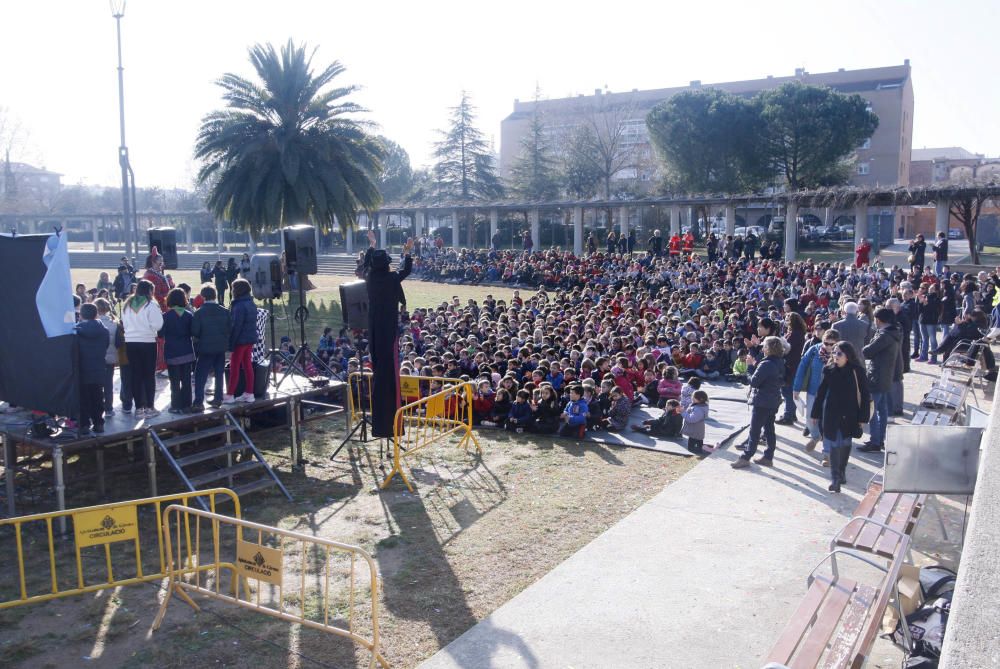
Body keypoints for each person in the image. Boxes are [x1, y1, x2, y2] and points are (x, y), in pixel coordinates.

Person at [362, 230, 414, 437]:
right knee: (389, 371)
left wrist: (372, 245)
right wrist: (407, 252)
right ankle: (390, 420)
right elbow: (406, 270)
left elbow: (366, 264)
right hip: (389, 329)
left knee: (378, 369)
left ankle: (380, 421)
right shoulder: (392, 278)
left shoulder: (369, 278)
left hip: (374, 329)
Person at [812, 341, 871, 492]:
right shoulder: (829, 370)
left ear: (848, 356)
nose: (835, 356)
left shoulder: (857, 371)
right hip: (831, 413)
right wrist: (815, 413)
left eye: (839, 353)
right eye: (834, 353)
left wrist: (863, 417)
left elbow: (865, 395)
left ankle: (842, 471)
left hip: (850, 415)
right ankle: (835, 478)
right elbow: (821, 393)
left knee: (844, 443)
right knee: (833, 443)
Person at [732, 336, 785, 469]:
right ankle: (768, 457)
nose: (762, 348)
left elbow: (754, 382)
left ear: (769, 349)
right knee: (769, 429)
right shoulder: (779, 361)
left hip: (762, 401)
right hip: (773, 400)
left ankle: (746, 457)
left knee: (754, 430)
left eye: (764, 346)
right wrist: (756, 364)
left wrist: (750, 367)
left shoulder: (766, 364)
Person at [860, 308, 901, 453]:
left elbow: (867, 351)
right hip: (886, 376)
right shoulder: (893, 333)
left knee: (872, 410)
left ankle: (875, 441)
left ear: (879, 320)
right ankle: (880, 439)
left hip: (877, 376)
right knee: (882, 411)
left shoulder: (884, 335)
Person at [121, 279, 164, 418]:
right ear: (150, 291)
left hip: (130, 342)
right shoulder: (151, 305)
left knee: (136, 375)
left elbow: (124, 324)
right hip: (147, 341)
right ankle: (150, 407)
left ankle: (139, 408)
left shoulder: (127, 305)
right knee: (148, 375)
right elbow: (158, 324)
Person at [794, 329, 840, 458]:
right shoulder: (814, 349)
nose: (828, 346)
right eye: (826, 343)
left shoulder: (841, 353)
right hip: (813, 391)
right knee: (809, 418)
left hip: (832, 394)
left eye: (832, 344)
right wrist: (796, 388)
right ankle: (815, 436)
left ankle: (827, 454)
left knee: (827, 422)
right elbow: (802, 366)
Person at [191, 284, 230, 411]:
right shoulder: (225, 311)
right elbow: (229, 329)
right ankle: (218, 399)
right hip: (220, 347)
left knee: (200, 375)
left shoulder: (199, 312)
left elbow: (195, 332)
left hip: (205, 348)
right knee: (219, 373)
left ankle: (198, 402)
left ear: (203, 297)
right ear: (214, 295)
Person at [75, 303, 110, 436]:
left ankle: (84, 424)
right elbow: (106, 346)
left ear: (81, 315)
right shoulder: (104, 330)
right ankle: (99, 423)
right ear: (96, 314)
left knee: (83, 398)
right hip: (98, 367)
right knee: (98, 396)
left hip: (82, 368)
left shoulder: (76, 331)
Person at [160, 288, 195, 413]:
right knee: (186, 381)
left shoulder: (165, 316)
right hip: (187, 351)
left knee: (174, 381)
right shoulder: (189, 315)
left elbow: (160, 334)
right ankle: (187, 405)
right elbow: (193, 332)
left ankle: (175, 405)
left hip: (172, 352)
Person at [224, 279, 258, 404]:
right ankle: (249, 393)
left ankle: (230, 394)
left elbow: (236, 326)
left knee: (234, 367)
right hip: (249, 338)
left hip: (240, 340)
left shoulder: (238, 305)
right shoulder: (250, 303)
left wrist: (231, 343)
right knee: (247, 365)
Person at [776, 312, 807, 425]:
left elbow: (787, 349)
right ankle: (791, 414)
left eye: (788, 318)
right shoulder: (796, 333)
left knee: (787, 391)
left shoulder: (795, 334)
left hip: (791, 364)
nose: (786, 320)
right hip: (792, 363)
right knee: (788, 391)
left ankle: (788, 416)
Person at [95, 298, 123, 417]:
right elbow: (118, 342)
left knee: (96, 385)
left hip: (95, 359)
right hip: (111, 358)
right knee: (108, 384)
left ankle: (97, 408)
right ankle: (109, 409)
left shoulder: (94, 323)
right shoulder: (114, 323)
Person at [917, 285, 941, 363]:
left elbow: (936, 310)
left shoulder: (936, 299)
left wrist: (927, 304)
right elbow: (919, 310)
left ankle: (933, 358)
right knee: (924, 339)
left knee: (933, 340)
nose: (930, 289)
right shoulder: (924, 296)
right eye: (930, 287)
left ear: (936, 290)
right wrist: (920, 303)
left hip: (931, 321)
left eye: (933, 288)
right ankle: (923, 356)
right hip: (922, 320)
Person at [681, 389, 710, 454]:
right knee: (698, 443)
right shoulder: (698, 405)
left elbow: (692, 419)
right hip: (696, 431)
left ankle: (703, 450)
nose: (692, 398)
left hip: (695, 431)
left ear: (701, 399)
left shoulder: (698, 409)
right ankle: (702, 449)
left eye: (694, 397)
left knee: (692, 448)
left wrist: (683, 412)